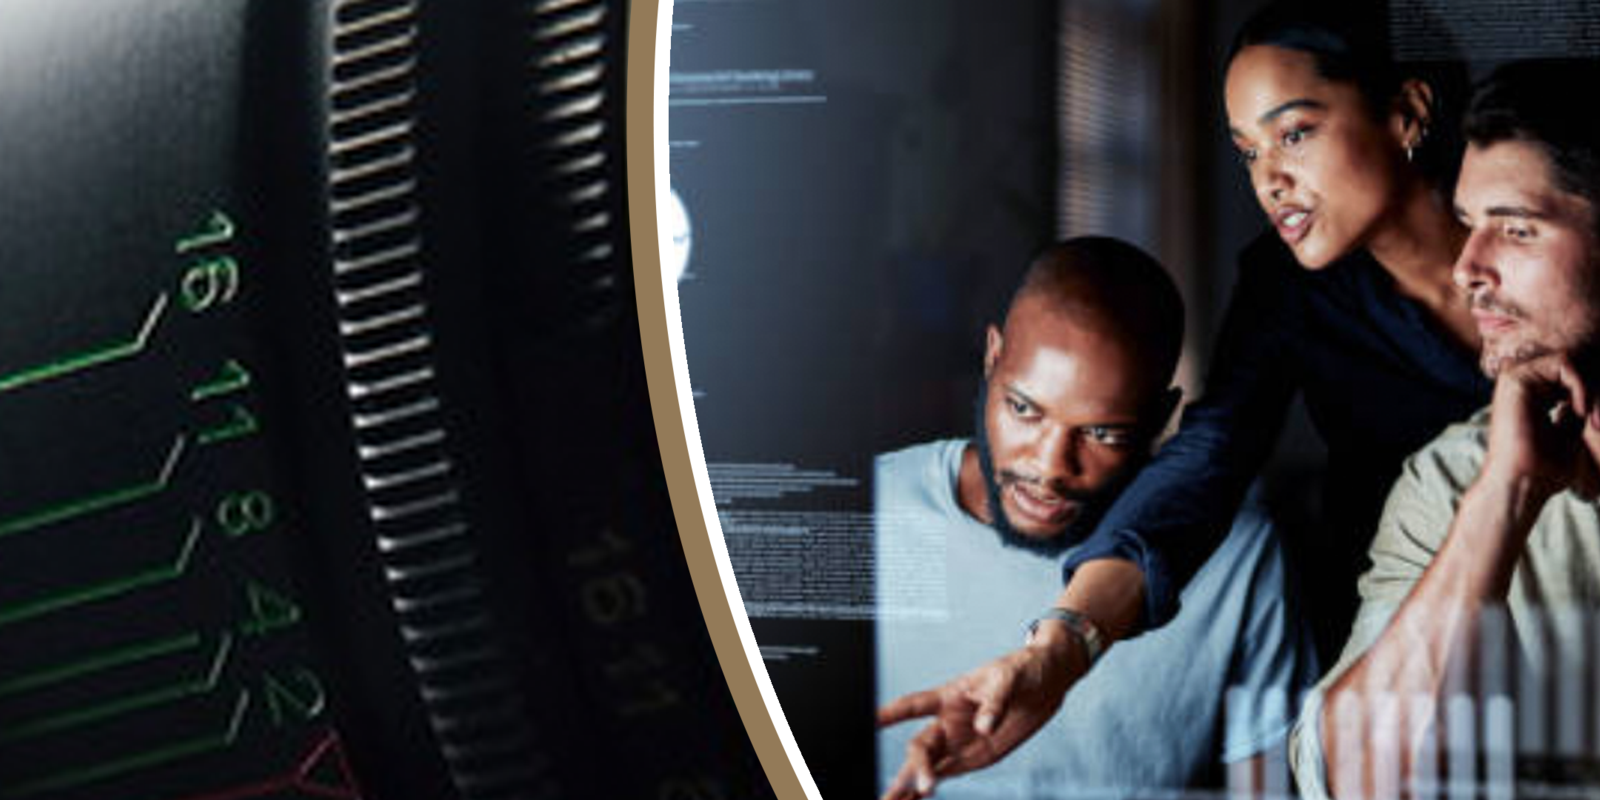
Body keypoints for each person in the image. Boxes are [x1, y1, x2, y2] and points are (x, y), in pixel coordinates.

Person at [878, 3, 1491, 795]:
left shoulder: (1552, 227)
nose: (1270, 178)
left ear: (1407, 112)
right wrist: (1057, 653)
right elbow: (1210, 457)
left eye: (1294, 132)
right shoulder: (1286, 290)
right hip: (1417, 612)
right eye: (1246, 151)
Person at [876, 237, 1318, 799]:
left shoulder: (1237, 554)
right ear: (992, 357)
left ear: (1160, 417)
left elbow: (1270, 787)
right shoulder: (872, 506)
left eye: (1101, 433)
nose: (1050, 466)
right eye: (1024, 409)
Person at [1289, 58, 1600, 800]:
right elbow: (1361, 780)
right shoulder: (1457, 479)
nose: (1466, 268)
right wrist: (1508, 492)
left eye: (1516, 230)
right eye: (1467, 225)